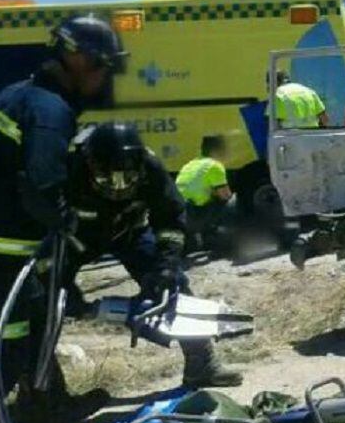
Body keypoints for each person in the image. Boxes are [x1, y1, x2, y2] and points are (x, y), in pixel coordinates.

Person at [0, 15, 126, 423]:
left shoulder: (14, 94)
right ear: (78, 59)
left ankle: (45, 406)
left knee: (18, 344)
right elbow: (41, 184)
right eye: (103, 67)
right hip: (5, 254)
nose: (104, 79)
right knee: (5, 355)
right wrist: (67, 220)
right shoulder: (51, 110)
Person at [67, 123, 242, 388]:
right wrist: (60, 280)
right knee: (47, 300)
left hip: (130, 232)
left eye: (127, 179)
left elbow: (171, 218)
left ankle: (201, 364)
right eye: (108, 180)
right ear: (91, 165)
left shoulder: (150, 167)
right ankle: (41, 390)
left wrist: (168, 264)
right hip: (75, 239)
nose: (117, 189)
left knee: (176, 287)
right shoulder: (68, 169)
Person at [175, 135, 237, 256]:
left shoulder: (190, 164)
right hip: (193, 214)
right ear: (216, 150)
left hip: (178, 213)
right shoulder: (214, 165)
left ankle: (194, 241)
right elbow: (225, 196)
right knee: (232, 201)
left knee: (209, 199)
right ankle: (223, 242)